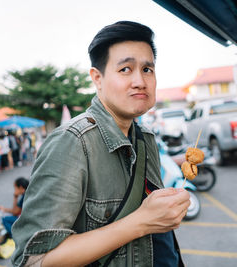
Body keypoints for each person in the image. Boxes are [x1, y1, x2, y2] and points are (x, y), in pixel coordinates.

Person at [12, 21, 190, 267]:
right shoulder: (73, 142)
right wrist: (142, 221)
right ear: (97, 78)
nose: (140, 80)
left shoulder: (144, 137)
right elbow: (34, 260)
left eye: (147, 69)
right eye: (126, 69)